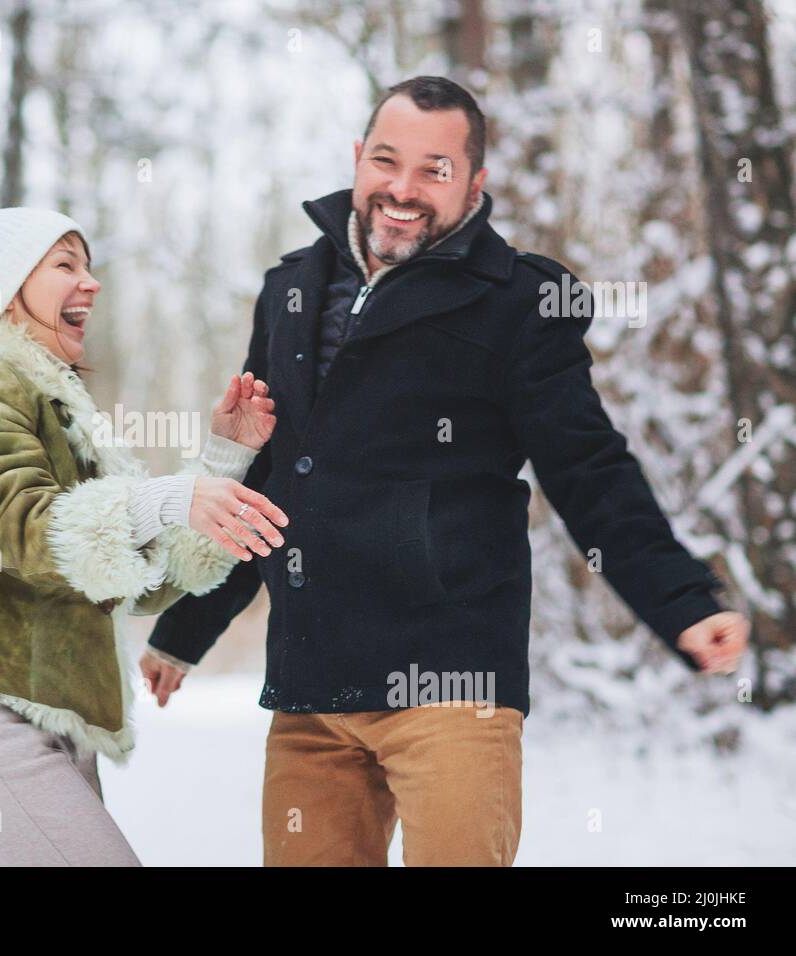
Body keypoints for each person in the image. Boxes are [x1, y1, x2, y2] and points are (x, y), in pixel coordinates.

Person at [140, 75, 750, 867]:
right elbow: (265, 476)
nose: (403, 189)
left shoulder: (517, 302)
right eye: (387, 161)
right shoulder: (290, 290)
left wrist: (679, 597)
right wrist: (187, 629)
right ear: (358, 159)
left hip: (453, 682)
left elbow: (589, 467)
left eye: (435, 170)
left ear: (474, 184)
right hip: (312, 688)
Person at [0, 206, 289, 866]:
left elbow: (135, 582)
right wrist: (170, 496)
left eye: (89, 265)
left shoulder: (56, 406)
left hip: (45, 713)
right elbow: (30, 533)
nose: (91, 283)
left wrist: (221, 460)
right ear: (2, 287)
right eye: (65, 264)